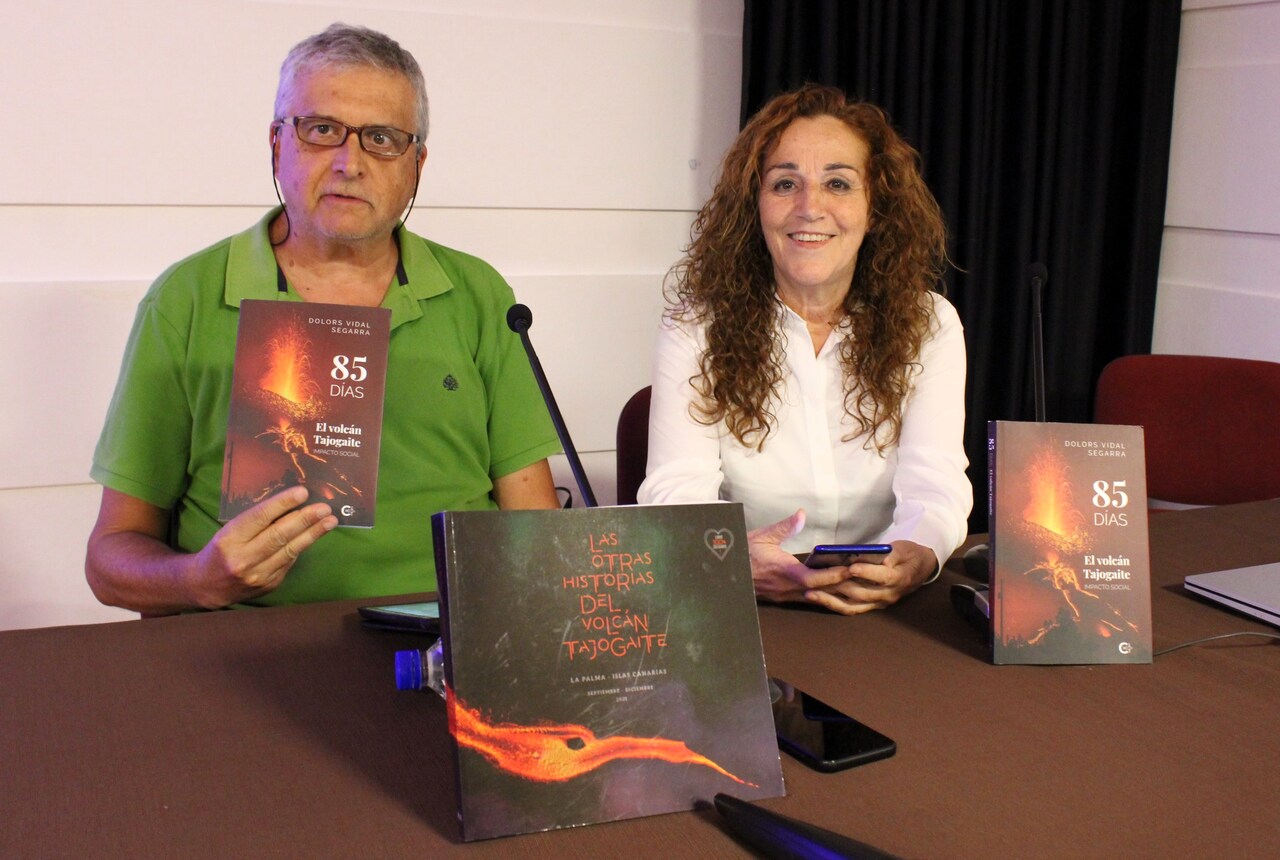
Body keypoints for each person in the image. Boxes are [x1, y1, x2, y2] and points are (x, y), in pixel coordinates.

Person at [86, 24, 561, 614]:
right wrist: (200, 580)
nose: (349, 163)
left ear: (417, 163)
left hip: (449, 635)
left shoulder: (478, 294)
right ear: (277, 143)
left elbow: (537, 529)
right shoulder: (187, 298)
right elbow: (110, 557)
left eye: (381, 138)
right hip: (241, 644)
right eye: (321, 129)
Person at [638, 84, 971, 616]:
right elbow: (676, 493)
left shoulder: (930, 324)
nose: (809, 207)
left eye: (837, 183)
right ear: (755, 205)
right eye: (785, 183)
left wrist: (918, 555)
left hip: (886, 605)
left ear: (875, 207)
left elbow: (937, 483)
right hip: (744, 602)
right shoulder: (695, 326)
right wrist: (728, 562)